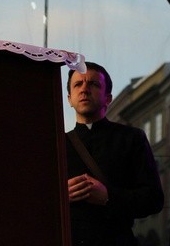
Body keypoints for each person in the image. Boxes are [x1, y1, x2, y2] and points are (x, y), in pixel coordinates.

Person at [66, 61, 164, 246]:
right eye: (78, 84)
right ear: (69, 99)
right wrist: (60, 195)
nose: (85, 89)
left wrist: (108, 197)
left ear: (108, 98)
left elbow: (153, 199)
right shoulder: (57, 144)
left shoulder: (131, 138)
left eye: (93, 84)